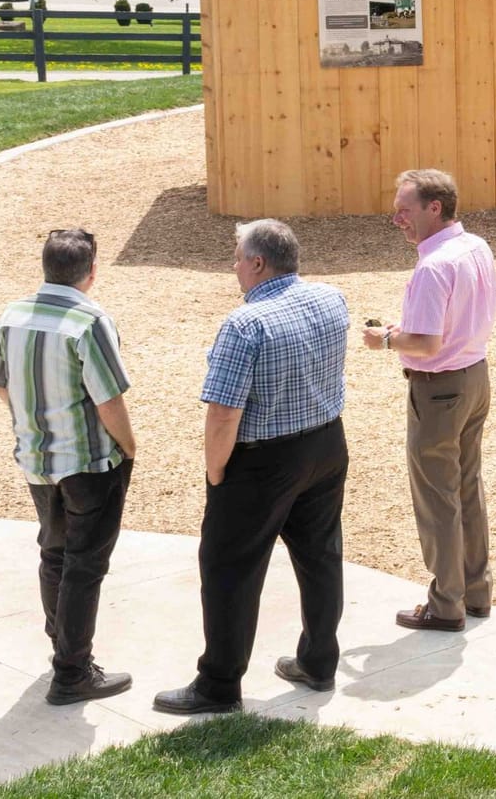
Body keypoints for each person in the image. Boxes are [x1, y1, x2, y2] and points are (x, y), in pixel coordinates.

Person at [153, 220, 350, 715]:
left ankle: (219, 686)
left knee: (228, 568)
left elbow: (223, 414)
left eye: (238, 257)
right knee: (321, 556)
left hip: (263, 462)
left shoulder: (245, 325)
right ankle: (319, 663)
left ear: (258, 263)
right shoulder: (332, 299)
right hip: (327, 443)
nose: (234, 265)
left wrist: (216, 474)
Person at [0, 228, 137, 706]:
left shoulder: (13, 315)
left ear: (46, 267)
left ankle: (63, 646)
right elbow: (108, 399)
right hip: (88, 465)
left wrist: (35, 419)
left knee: (54, 554)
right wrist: (129, 447)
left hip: (37, 462)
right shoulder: (90, 321)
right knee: (84, 566)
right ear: (92, 272)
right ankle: (72, 673)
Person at [364, 170, 496, 632]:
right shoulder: (476, 247)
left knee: (437, 497)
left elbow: (425, 342)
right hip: (474, 377)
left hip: (438, 389)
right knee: (467, 486)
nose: (396, 219)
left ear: (433, 208)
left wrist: (385, 340)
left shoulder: (433, 266)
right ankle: (476, 593)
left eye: (404, 210)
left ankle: (445, 605)